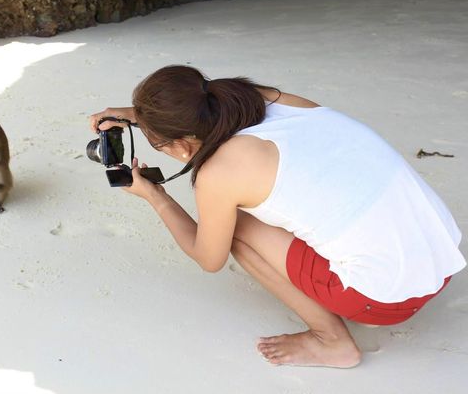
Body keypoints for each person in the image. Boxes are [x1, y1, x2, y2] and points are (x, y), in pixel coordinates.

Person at [89, 65, 466, 368]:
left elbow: (209, 258)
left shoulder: (219, 173)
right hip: (440, 255)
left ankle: (331, 342)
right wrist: (140, 116)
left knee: (233, 228)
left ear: (182, 143)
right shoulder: (263, 99)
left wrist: (155, 196)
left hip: (386, 299)